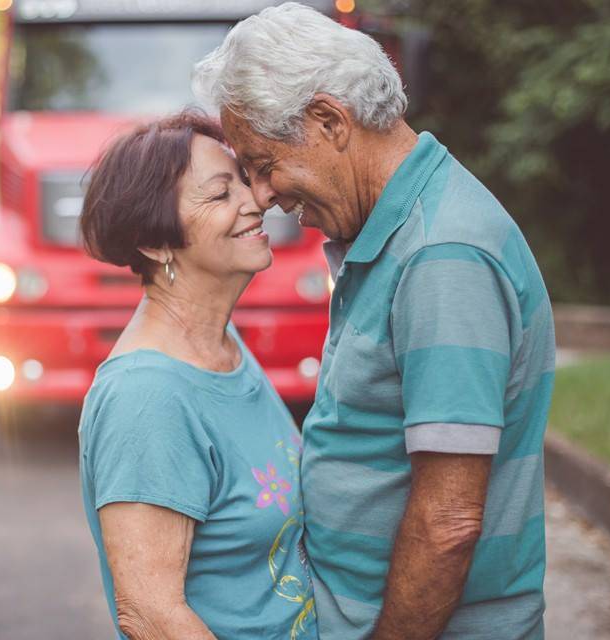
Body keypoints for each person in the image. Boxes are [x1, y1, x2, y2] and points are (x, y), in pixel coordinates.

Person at [193, 4, 556, 639]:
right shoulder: (391, 232)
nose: (261, 195)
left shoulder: (442, 256)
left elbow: (448, 523)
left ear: (331, 121)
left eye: (262, 162)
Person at [77, 111, 318, 640]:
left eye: (243, 183)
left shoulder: (224, 348)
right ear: (154, 242)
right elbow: (151, 616)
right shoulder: (147, 397)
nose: (255, 202)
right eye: (218, 195)